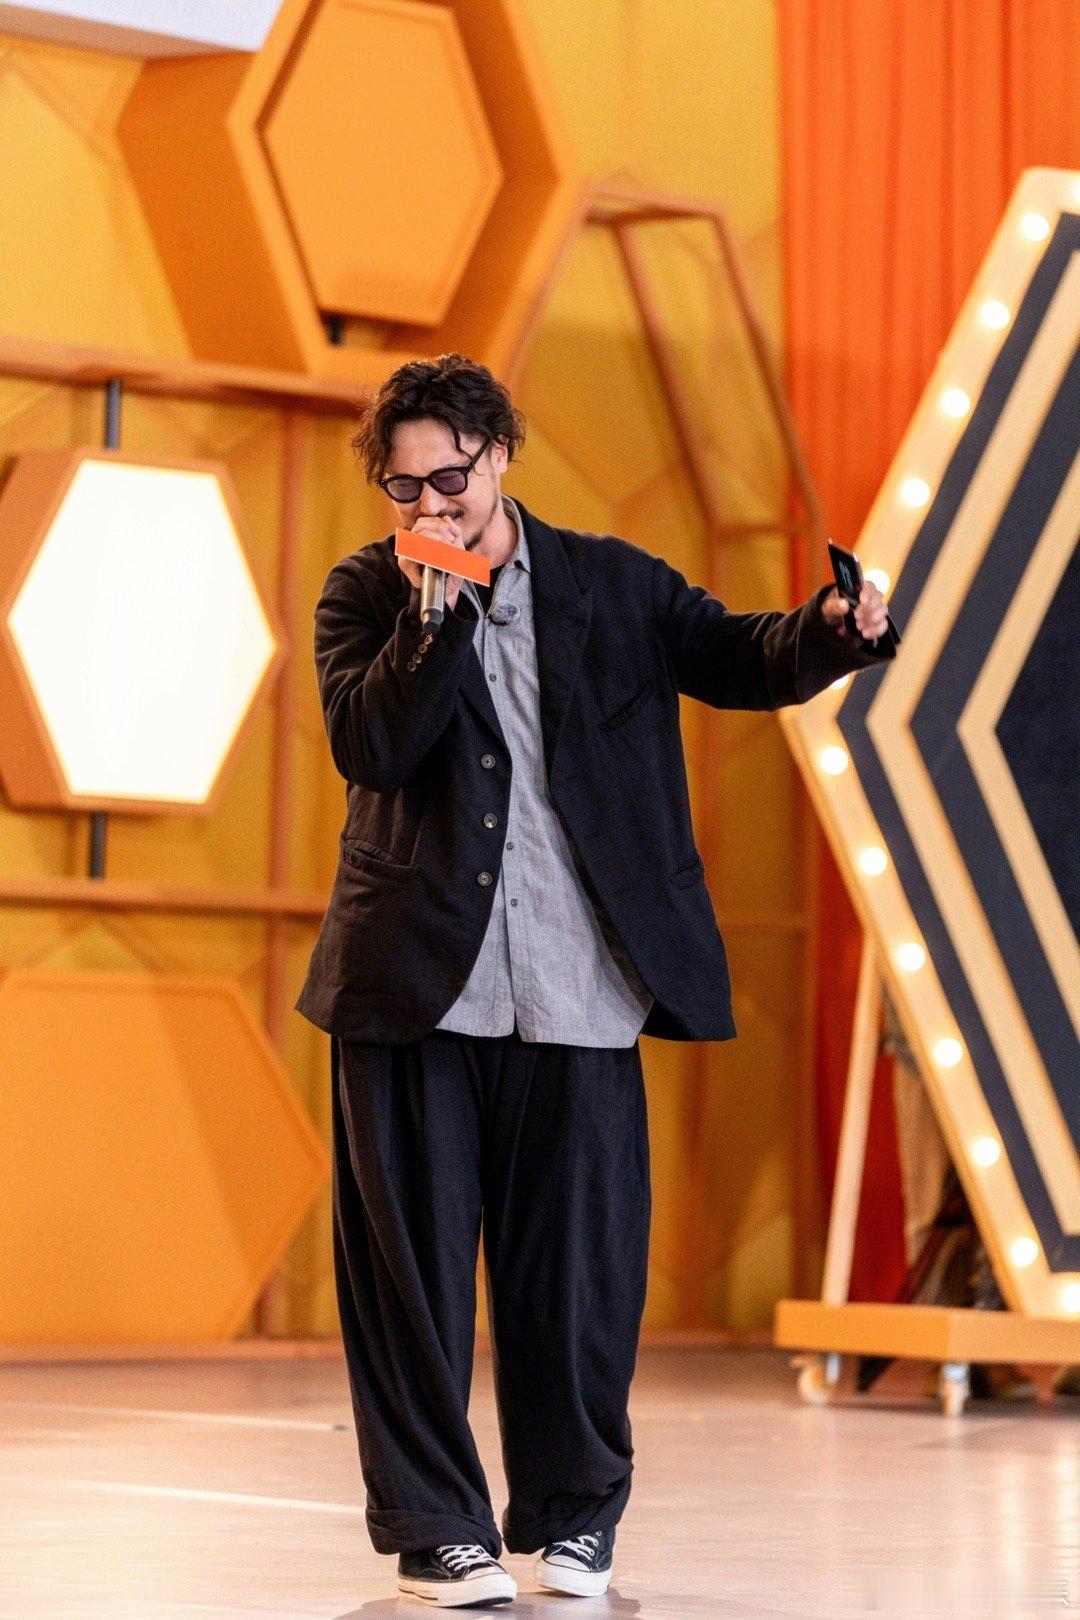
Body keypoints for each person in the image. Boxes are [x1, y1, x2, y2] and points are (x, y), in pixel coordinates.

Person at [294, 352, 894, 1607]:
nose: (430, 506)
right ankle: (437, 1533)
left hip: (580, 987)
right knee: (409, 1284)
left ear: (501, 455)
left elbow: (739, 656)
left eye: (450, 479)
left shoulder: (611, 584)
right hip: (414, 990)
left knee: (578, 1282)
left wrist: (835, 630)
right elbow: (373, 744)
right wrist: (432, 616)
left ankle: (573, 1519)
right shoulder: (365, 594)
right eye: (404, 488)